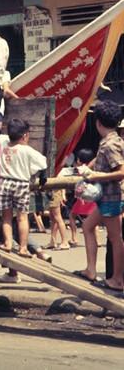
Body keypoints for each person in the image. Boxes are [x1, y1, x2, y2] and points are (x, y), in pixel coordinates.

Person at [77, 100, 124, 293]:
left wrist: (96, 175)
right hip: (106, 199)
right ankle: (90, 269)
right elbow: (102, 156)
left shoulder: (110, 144)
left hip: (112, 200)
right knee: (88, 227)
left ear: (98, 122)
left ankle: (118, 280)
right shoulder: (113, 140)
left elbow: (121, 171)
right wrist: (88, 167)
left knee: (116, 239)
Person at [0, 119, 48, 256]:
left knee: (6, 217)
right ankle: (23, 248)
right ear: (25, 136)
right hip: (21, 184)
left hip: (4, 182)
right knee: (22, 218)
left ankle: (7, 243)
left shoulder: (3, 143)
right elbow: (43, 163)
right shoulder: (27, 150)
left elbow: (2, 136)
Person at [68, 148, 96, 247]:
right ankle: (97, 240)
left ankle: (74, 237)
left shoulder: (81, 168)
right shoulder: (93, 167)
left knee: (72, 215)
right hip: (92, 195)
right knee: (93, 218)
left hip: (83, 196)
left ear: (79, 160)